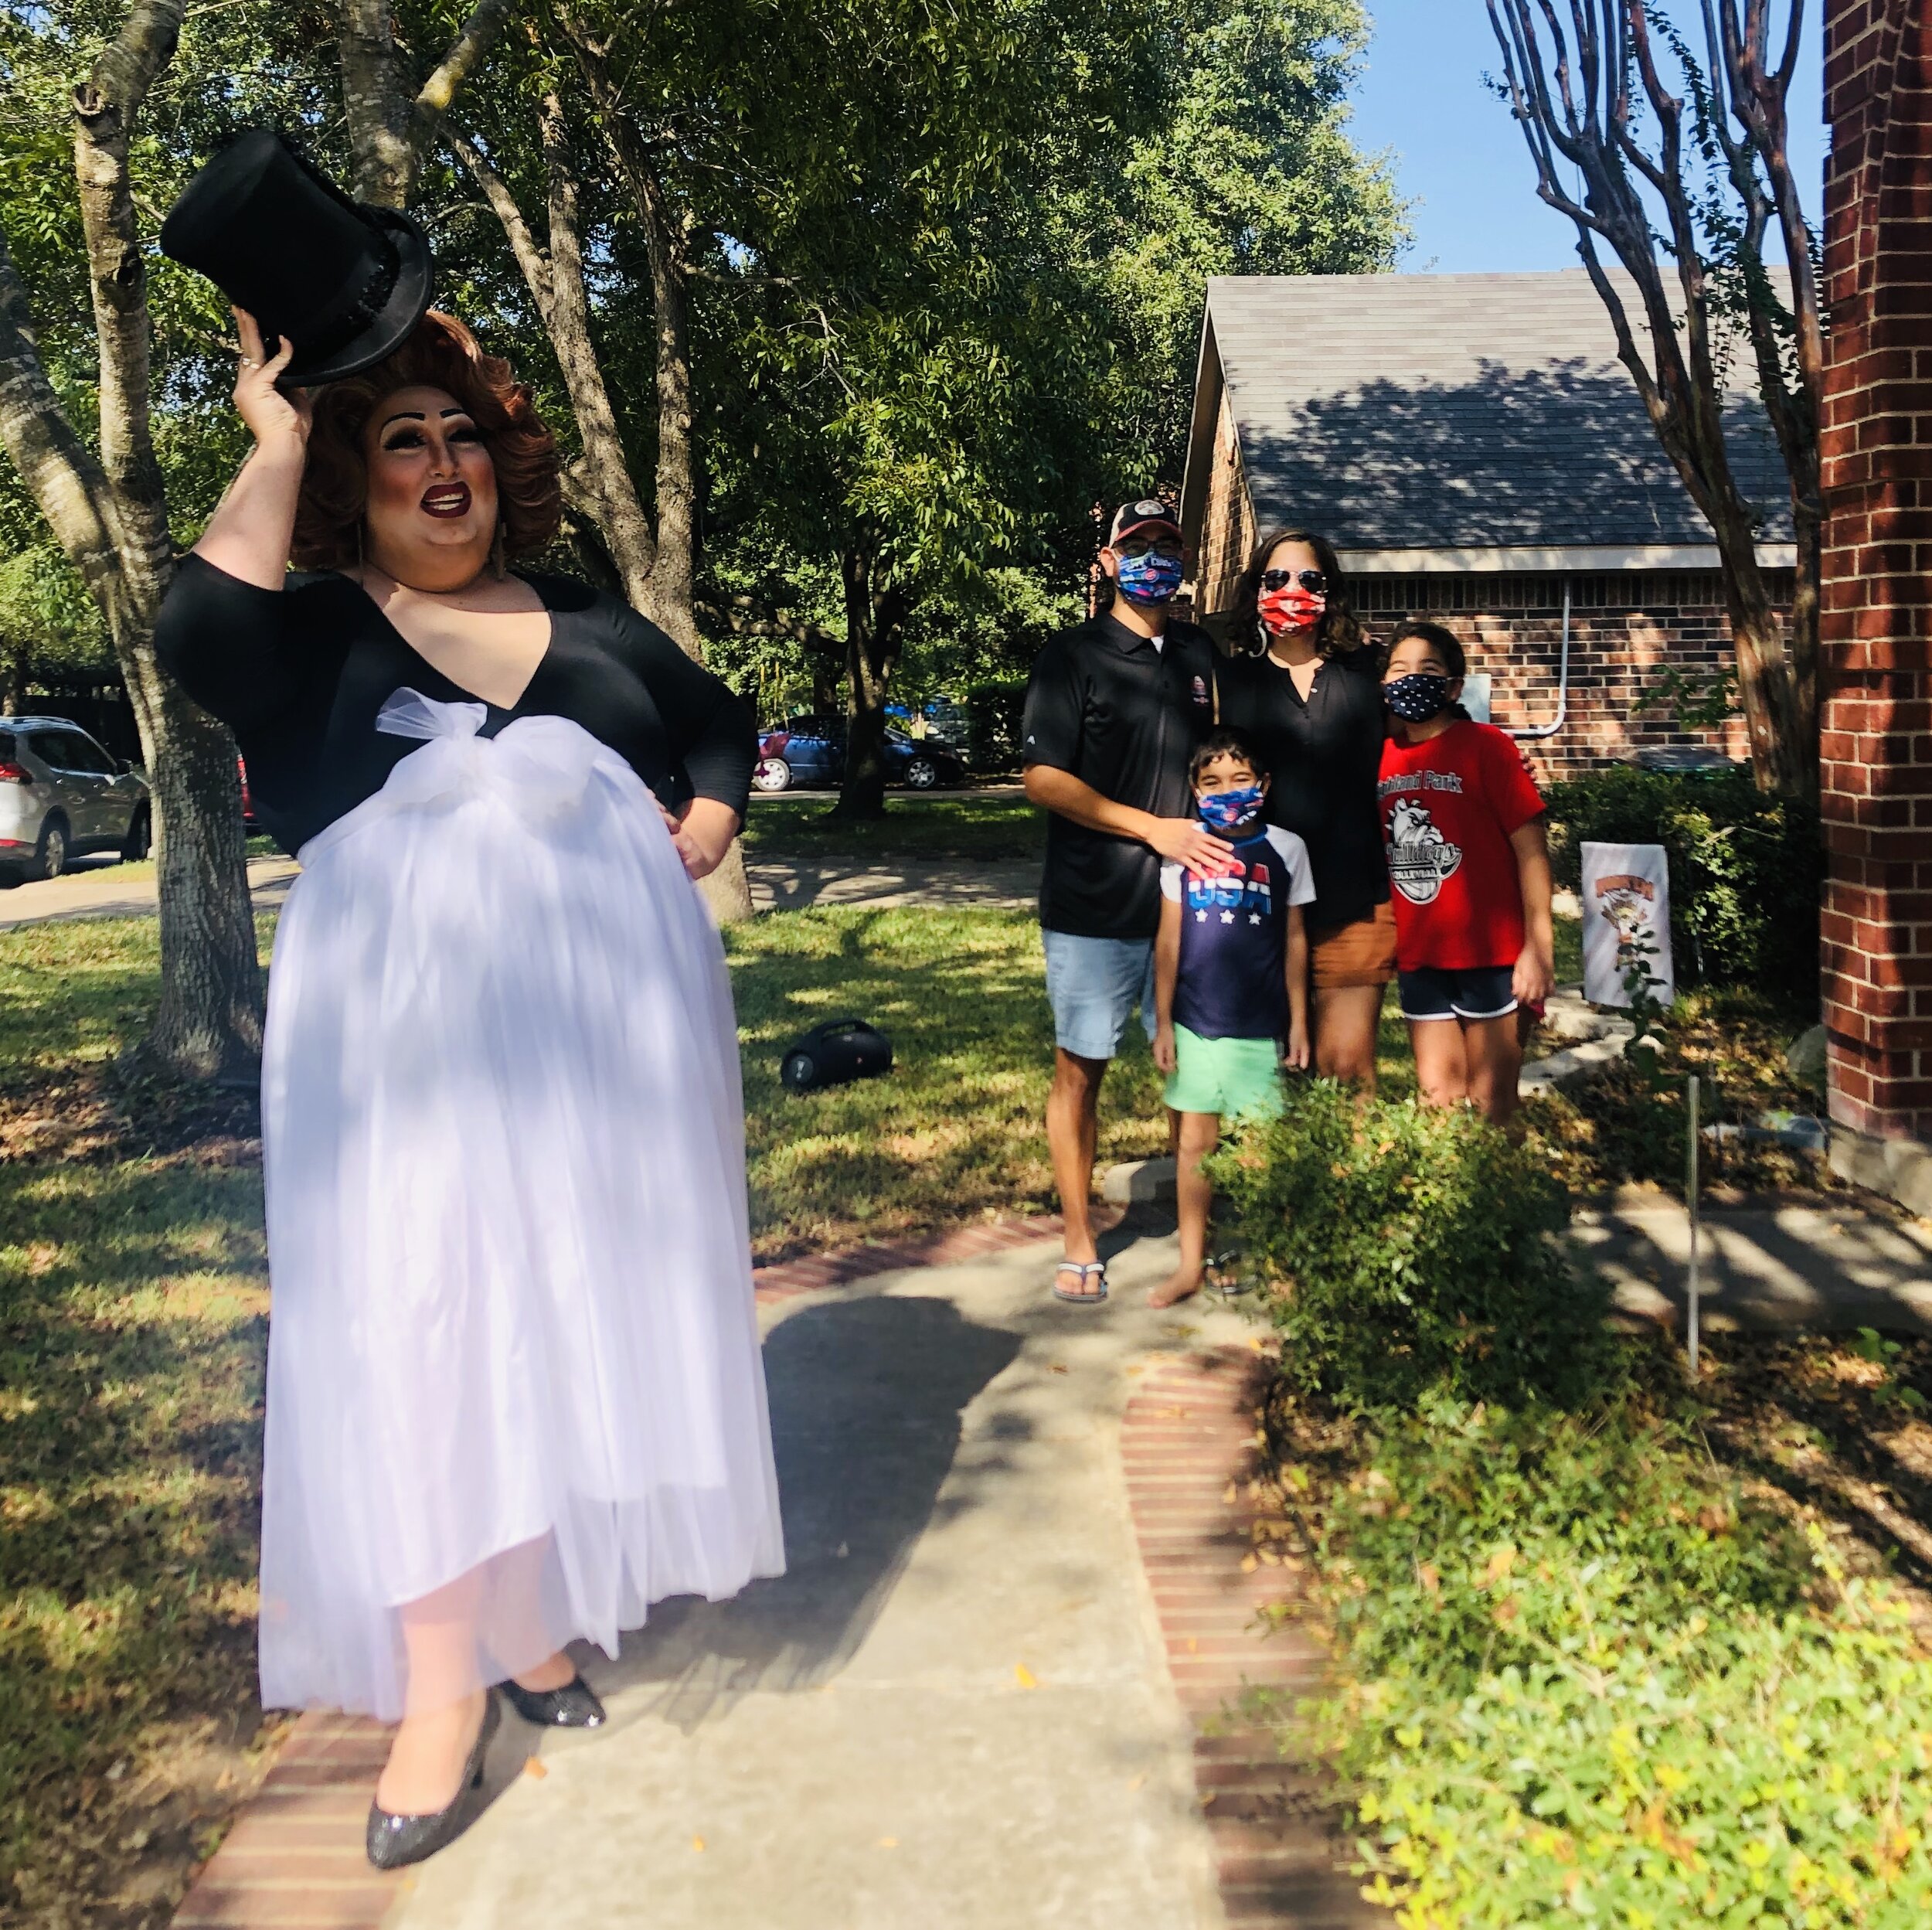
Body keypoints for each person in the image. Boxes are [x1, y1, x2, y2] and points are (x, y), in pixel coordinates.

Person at [154, 308, 784, 1867]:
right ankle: (440, 1685)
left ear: (501, 468)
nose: (441, 465)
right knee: (424, 1341)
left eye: (460, 439)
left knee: (559, 1323)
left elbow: (716, 723)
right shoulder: (310, 633)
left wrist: (704, 816)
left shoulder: (587, 623)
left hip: (596, 1077)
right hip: (401, 1073)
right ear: (354, 483)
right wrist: (278, 432)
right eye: (401, 442)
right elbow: (193, 637)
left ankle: (535, 1625)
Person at [1022, 499, 1225, 1305]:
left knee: (1192, 1079)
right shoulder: (1070, 656)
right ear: (1106, 561)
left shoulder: (1201, 657)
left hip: (1193, 910)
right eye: (1135, 547)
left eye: (1166, 546)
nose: (1153, 560)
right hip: (1091, 908)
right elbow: (1043, 778)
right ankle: (1079, 1235)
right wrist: (1155, 830)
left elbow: (1227, 765)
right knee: (1082, 1070)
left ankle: (1193, 1241)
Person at [1218, 529, 1393, 1089]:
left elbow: (1429, 741)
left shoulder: (1369, 675)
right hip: (1259, 903)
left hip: (1354, 901)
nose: (1292, 589)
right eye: (1276, 578)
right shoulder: (1231, 682)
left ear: (1330, 592)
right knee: (1263, 1078)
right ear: (1256, 590)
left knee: (1347, 1072)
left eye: (1308, 579)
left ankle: (1350, 1178)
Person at [1151, 730, 1313, 1309]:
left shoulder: (1287, 849)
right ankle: (1191, 1262)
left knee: (1262, 1147)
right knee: (1195, 1143)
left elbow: (1295, 939)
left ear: (1263, 785)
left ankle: (1265, 1251)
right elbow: (1168, 941)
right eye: (1212, 783)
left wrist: (1298, 1021)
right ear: (1195, 791)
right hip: (1195, 1021)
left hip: (1259, 1024)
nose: (1227, 792)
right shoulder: (1185, 848)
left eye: (1240, 780)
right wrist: (1164, 1021)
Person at [1376, 620, 1555, 1123]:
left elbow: (1533, 852)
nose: (1412, 680)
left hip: (1493, 954)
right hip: (1421, 956)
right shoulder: (1381, 757)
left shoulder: (1488, 747)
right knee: (1439, 1103)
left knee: (1494, 1104)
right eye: (1399, 669)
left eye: (1428, 670)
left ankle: (1511, 1202)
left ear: (1455, 686)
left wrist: (1539, 949)